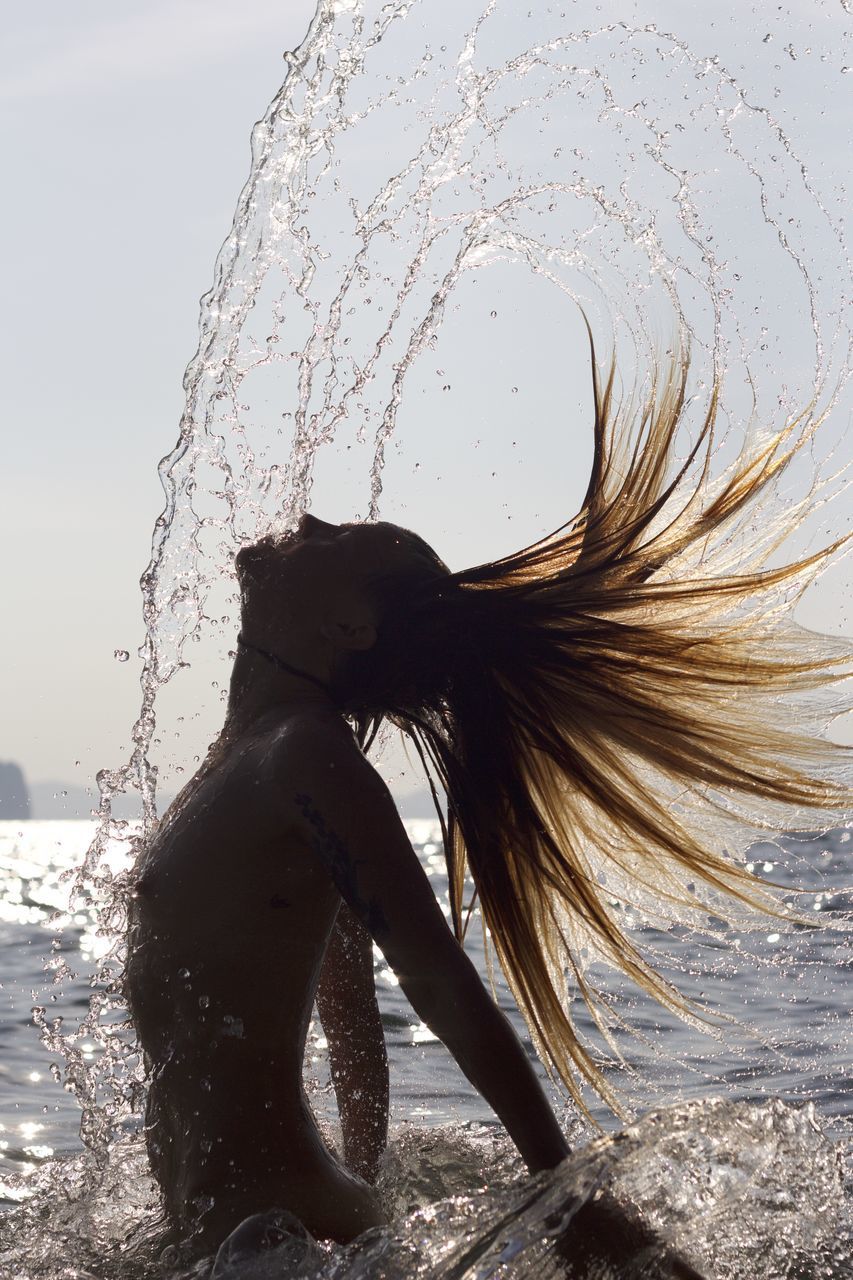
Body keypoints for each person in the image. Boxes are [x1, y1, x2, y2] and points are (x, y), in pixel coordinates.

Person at [125, 348, 849, 1268]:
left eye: (339, 536)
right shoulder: (254, 759)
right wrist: (369, 1183)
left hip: (270, 1238)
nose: (309, 519)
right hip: (248, 1234)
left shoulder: (305, 754)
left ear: (350, 629)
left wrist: (564, 1198)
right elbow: (345, 999)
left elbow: (436, 979)